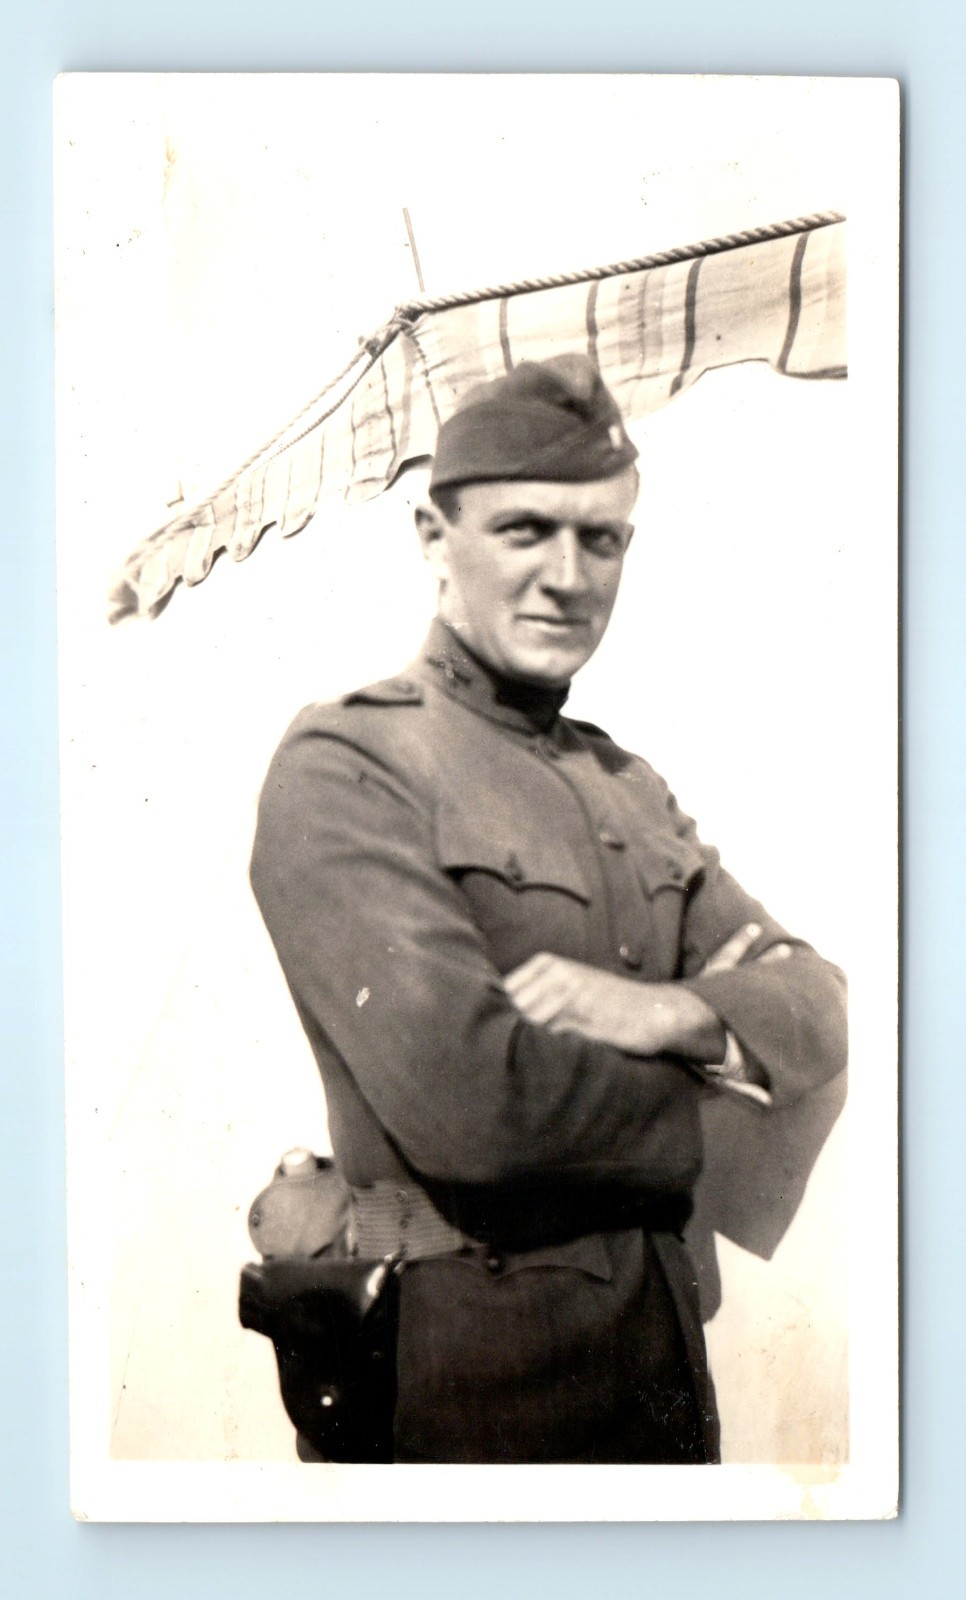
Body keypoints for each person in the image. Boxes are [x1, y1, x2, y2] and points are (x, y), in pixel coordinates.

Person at [249, 353, 847, 1464]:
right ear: (435, 538)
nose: (569, 576)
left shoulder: (628, 785)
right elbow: (476, 1105)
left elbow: (819, 1002)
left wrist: (665, 1014)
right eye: (527, 530)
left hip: (662, 1375)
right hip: (469, 1386)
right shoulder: (349, 764)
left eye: (602, 537)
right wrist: (723, 1093)